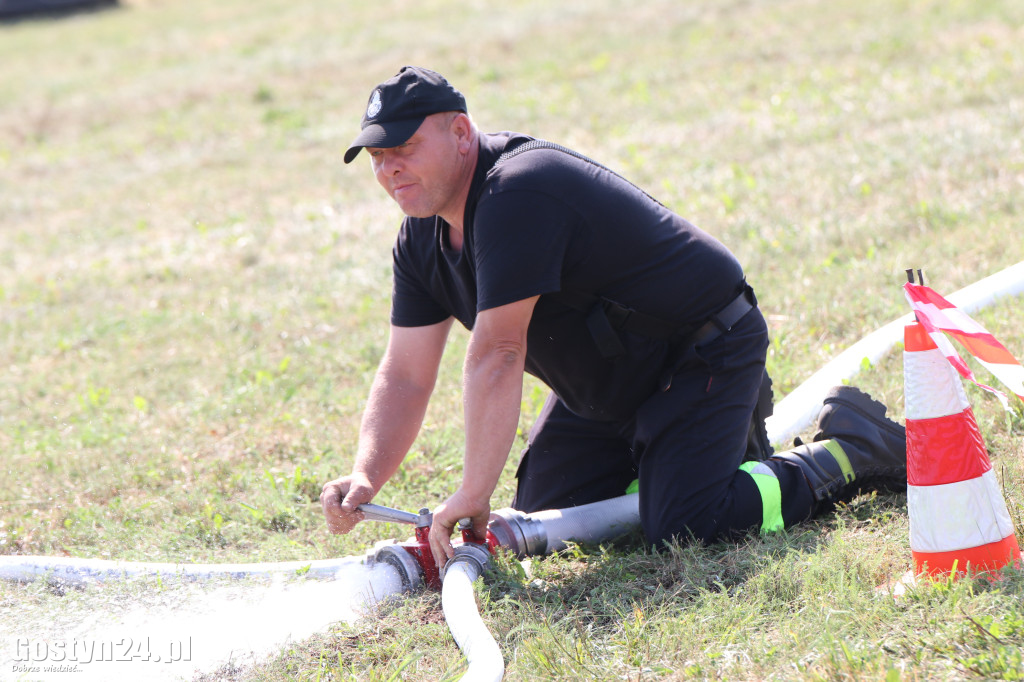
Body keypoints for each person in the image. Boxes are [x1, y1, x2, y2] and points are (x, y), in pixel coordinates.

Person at [320, 66, 907, 569]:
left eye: (404, 148)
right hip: (609, 389)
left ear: (461, 132)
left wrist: (473, 491)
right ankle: (691, 457)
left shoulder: (516, 192)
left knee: (685, 526)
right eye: (377, 156)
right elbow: (406, 374)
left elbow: (499, 351)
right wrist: (366, 475)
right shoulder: (420, 241)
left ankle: (850, 448)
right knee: (548, 508)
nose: (389, 168)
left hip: (702, 349)